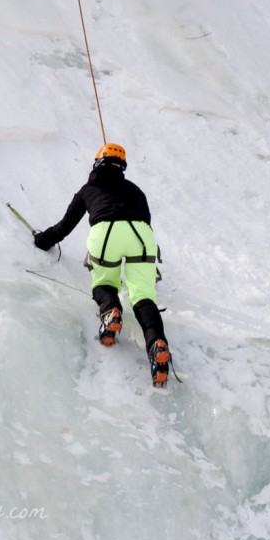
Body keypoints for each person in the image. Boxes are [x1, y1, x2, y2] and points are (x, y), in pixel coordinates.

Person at [33, 143, 171, 386]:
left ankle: (111, 313)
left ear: (97, 163)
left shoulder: (88, 189)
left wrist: (42, 240)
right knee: (143, 296)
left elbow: (64, 227)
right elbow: (146, 221)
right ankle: (157, 344)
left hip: (106, 233)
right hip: (141, 235)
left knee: (105, 282)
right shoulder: (136, 190)